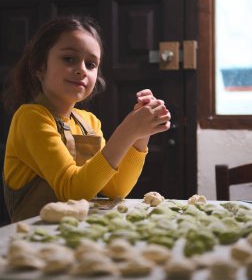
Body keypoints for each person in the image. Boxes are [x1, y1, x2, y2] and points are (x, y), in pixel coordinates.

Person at [2, 15, 171, 222]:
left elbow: (115, 189)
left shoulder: (88, 121)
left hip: (76, 236)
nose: (82, 69)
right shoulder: (31, 118)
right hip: (32, 242)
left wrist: (140, 135)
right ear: (39, 66)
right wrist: (128, 130)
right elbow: (73, 190)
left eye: (91, 64)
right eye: (69, 58)